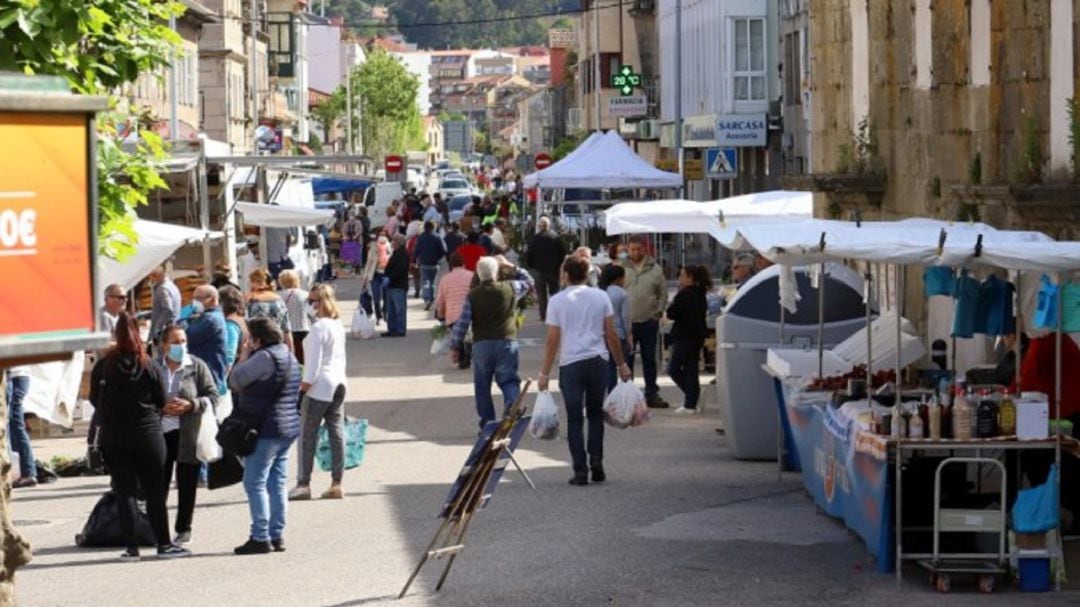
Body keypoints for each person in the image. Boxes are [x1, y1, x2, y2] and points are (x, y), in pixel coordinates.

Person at [89, 312, 189, 561]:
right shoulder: (149, 364)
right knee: (155, 492)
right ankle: (164, 544)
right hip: (148, 434)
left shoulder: (103, 366)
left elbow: (94, 399)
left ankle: (131, 548)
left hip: (114, 436)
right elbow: (161, 400)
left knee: (125, 492)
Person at [539, 256, 632, 486]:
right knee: (594, 413)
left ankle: (580, 469)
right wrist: (621, 363)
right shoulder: (601, 297)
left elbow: (553, 338)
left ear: (566, 275)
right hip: (597, 360)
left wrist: (544, 372)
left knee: (574, 417)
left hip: (570, 363)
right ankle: (597, 460)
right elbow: (610, 333)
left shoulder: (557, 301)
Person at [228, 318, 302, 555]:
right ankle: (276, 534)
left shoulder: (263, 357)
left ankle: (260, 536)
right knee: (277, 481)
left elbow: (234, 380)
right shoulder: (288, 355)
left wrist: (244, 355)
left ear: (258, 339)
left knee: (255, 482)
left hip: (265, 428)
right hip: (287, 427)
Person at [450, 257, 534, 429]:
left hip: (482, 344)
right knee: (509, 381)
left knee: (482, 386)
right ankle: (511, 406)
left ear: (479, 274)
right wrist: (512, 266)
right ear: (496, 272)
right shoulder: (510, 288)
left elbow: (463, 324)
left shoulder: (473, 295)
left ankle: (487, 424)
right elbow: (529, 281)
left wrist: (455, 346)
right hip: (506, 341)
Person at [155, 324, 219, 545]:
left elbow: (213, 396)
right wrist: (161, 408)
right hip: (161, 434)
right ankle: (156, 530)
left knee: (187, 483)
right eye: (175, 342)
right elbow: (143, 400)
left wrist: (191, 404)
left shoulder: (197, 367)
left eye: (183, 341)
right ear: (164, 345)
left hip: (188, 434)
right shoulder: (154, 368)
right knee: (157, 485)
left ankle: (184, 528)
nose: (180, 346)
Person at [290, 284, 348, 501]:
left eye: (312, 300)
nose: (309, 305)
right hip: (339, 382)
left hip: (319, 384)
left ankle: (303, 483)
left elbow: (312, 366)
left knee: (307, 435)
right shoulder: (337, 325)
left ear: (319, 302)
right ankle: (337, 481)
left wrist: (302, 390)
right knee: (336, 432)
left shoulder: (317, 329)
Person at [622, 236, 669, 409]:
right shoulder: (622, 268)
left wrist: (658, 312)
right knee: (628, 359)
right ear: (628, 249)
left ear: (645, 249)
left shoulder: (655, 269)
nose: (635, 252)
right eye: (632, 249)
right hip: (628, 323)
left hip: (649, 321)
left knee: (650, 359)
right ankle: (628, 394)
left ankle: (651, 393)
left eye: (638, 249)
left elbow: (662, 293)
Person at [667, 266, 711, 415]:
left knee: (674, 369)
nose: (679, 278)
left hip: (684, 335)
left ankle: (692, 396)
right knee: (691, 368)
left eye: (682, 276)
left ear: (690, 278)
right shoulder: (700, 294)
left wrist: (673, 301)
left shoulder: (685, 294)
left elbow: (671, 313)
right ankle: (690, 403)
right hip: (697, 336)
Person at [183, 285, 229, 394]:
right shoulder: (208, 316)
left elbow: (186, 337)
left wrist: (182, 320)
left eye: (198, 299)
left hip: (208, 375)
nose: (194, 303)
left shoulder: (210, 319)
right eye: (193, 299)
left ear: (212, 299)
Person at [524, 217, 567, 322]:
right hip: (553, 269)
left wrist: (531, 266)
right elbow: (563, 253)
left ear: (540, 226)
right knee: (554, 292)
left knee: (541, 294)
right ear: (549, 226)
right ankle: (557, 314)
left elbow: (529, 254)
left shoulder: (535, 238)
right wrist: (559, 266)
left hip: (538, 269)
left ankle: (544, 316)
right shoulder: (556, 238)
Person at [600, 265, 633, 392]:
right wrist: (629, 335)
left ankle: (609, 394)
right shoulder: (622, 294)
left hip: (602, 334)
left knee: (608, 368)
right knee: (620, 365)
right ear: (619, 278)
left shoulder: (601, 292)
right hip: (619, 334)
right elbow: (625, 318)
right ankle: (621, 394)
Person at [247, 269, 294, 352]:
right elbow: (286, 329)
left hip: (260, 347)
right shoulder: (279, 300)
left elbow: (248, 328)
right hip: (279, 346)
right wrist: (291, 351)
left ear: (255, 282)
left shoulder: (252, 301)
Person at [6, 368, 36, 488]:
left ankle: (27, 472)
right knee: (15, 425)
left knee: (15, 425)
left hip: (13, 376)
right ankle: (26, 472)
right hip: (18, 376)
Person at [276, 270, 310, 364]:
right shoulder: (305, 295)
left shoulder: (278, 296)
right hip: (303, 329)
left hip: (285, 333)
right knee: (303, 360)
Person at [414, 221, 447, 311]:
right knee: (432, 282)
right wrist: (438, 257)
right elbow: (444, 250)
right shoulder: (437, 237)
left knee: (425, 281)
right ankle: (431, 298)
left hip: (423, 262)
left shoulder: (420, 237)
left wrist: (414, 259)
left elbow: (416, 250)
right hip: (434, 263)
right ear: (433, 227)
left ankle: (426, 299)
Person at [435, 253, 474, 329]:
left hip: (452, 317)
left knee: (454, 339)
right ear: (463, 263)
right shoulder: (471, 276)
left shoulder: (445, 279)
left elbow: (440, 301)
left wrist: (441, 316)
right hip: (469, 316)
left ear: (451, 265)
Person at [361, 231, 391, 325]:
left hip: (386, 275)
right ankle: (379, 317)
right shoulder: (373, 248)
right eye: (381, 236)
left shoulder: (390, 247)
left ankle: (385, 314)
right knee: (376, 297)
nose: (382, 238)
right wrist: (365, 278)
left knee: (386, 297)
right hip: (375, 275)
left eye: (384, 236)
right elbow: (369, 263)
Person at [383, 234, 411, 337]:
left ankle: (400, 330)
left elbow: (400, 269)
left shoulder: (403, 254)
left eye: (394, 241)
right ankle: (392, 329)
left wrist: (389, 277)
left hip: (398, 285)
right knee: (391, 310)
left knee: (399, 309)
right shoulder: (396, 252)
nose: (392, 243)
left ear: (398, 243)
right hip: (392, 285)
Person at [149, 266, 181, 349]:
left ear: (155, 276)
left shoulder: (162, 290)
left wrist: (157, 327)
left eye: (150, 277)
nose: (150, 280)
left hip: (164, 332)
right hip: (172, 328)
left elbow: (168, 310)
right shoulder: (172, 286)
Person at [219, 285, 249, 372]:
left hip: (235, 371)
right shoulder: (242, 320)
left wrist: (223, 377)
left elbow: (229, 356)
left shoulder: (231, 324)